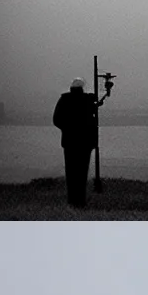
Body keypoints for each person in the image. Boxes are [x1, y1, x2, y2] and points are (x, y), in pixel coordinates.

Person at [52, 78, 97, 207]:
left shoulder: (64, 100)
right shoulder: (87, 100)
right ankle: (80, 200)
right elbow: (92, 117)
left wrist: (67, 129)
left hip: (70, 142)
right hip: (85, 142)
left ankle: (72, 200)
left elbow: (56, 119)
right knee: (82, 173)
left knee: (71, 173)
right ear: (82, 88)